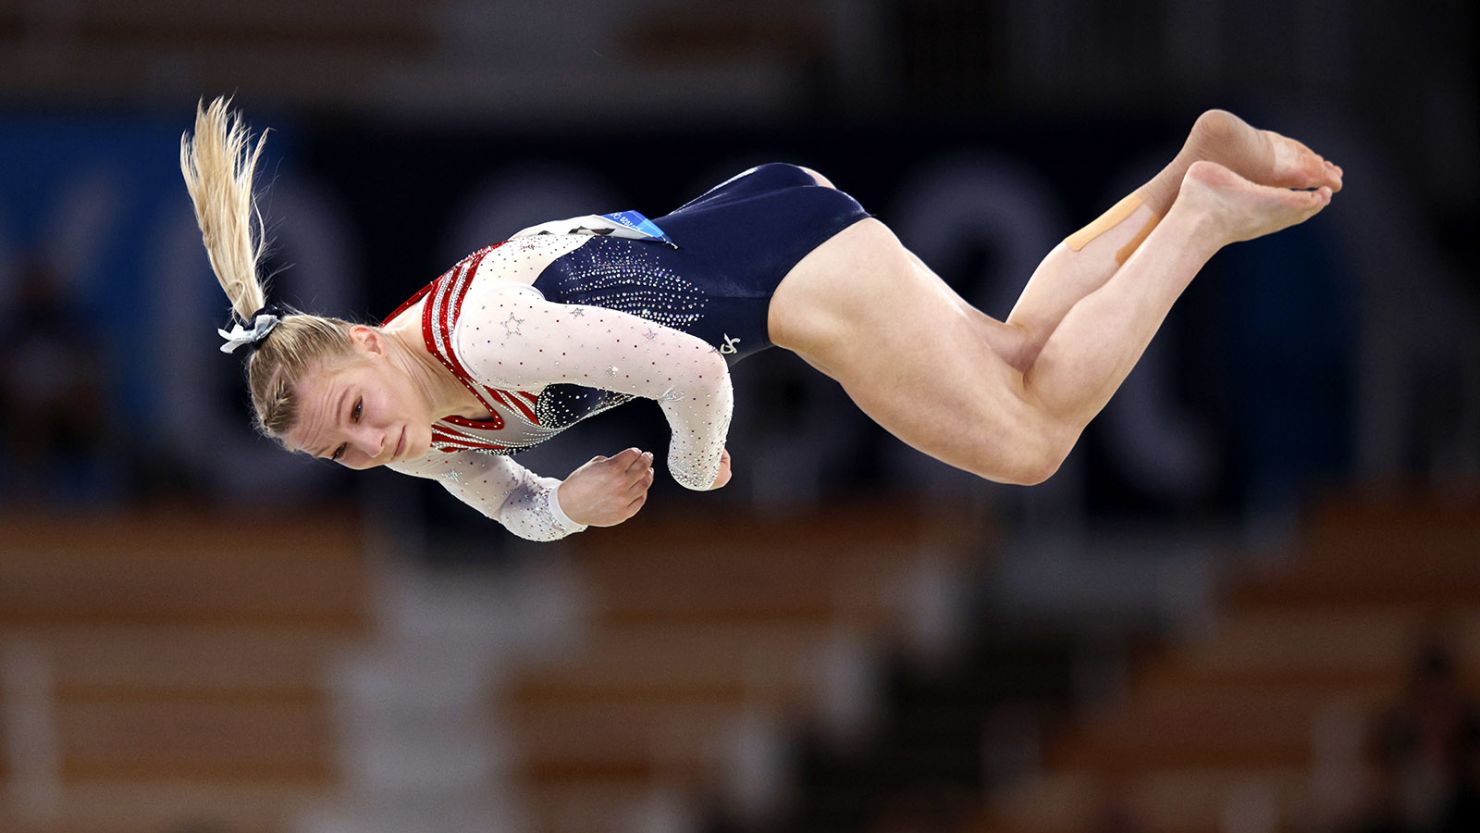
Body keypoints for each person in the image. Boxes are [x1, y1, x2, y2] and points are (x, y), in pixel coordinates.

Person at [180, 98, 1340, 541]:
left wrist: (693, 467)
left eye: (354, 413)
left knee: (1028, 440)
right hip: (764, 235)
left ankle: (1199, 215)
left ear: (368, 340)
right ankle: (1186, 170)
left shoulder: (487, 339)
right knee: (1019, 358)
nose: (366, 444)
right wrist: (564, 510)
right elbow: (505, 499)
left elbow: (690, 370)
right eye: (339, 449)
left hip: (780, 278)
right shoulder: (419, 422)